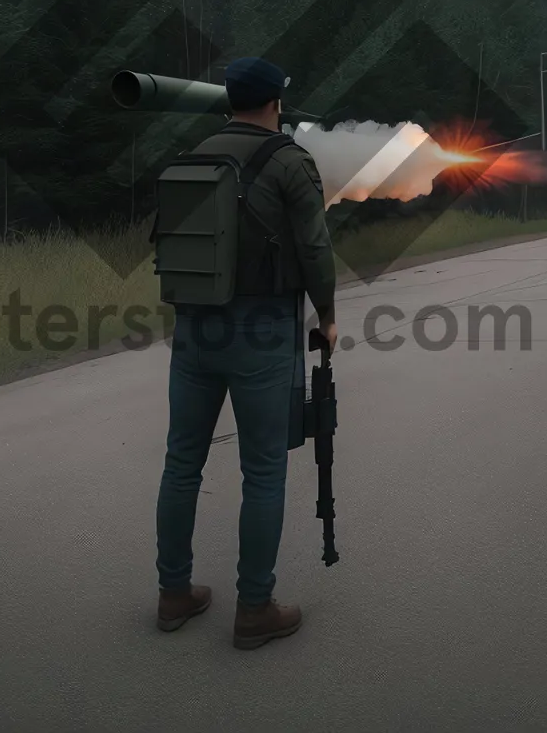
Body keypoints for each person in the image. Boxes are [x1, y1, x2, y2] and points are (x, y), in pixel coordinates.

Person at [154, 56, 338, 650]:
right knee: (263, 471)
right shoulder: (289, 160)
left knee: (182, 464)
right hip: (260, 329)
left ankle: (174, 594)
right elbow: (314, 246)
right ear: (275, 102)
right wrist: (328, 315)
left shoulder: (198, 155)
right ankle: (254, 609)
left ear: (230, 100)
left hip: (194, 329)